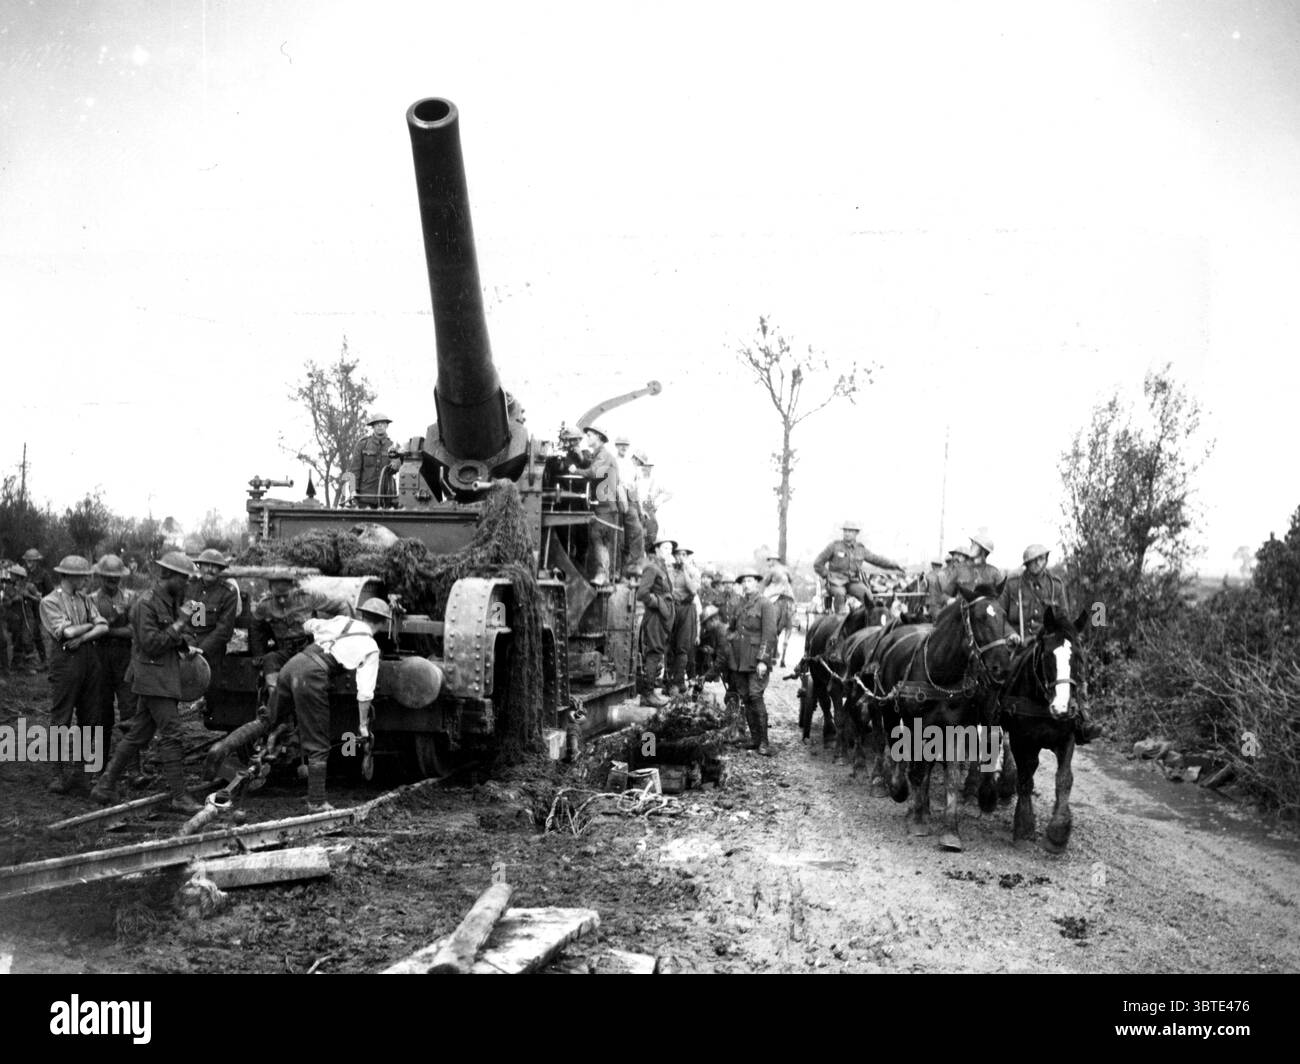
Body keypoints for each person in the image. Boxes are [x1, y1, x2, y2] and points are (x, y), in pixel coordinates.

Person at [91, 553, 204, 812]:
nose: (186, 583)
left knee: (138, 735)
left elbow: (171, 636)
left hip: (163, 676)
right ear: (170, 576)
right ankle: (179, 796)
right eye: (183, 578)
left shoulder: (171, 601)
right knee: (172, 733)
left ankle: (105, 785)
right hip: (153, 677)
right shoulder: (147, 604)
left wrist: (185, 644)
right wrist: (180, 623)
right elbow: (151, 644)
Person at [269, 598, 389, 811]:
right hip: (312, 676)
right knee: (318, 744)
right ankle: (316, 801)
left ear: (361, 615)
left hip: (293, 664)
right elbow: (365, 693)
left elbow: (308, 625)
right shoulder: (371, 648)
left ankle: (224, 749)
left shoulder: (341, 621)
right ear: (383, 624)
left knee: (269, 718)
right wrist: (362, 726)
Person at [999, 544, 1102, 744]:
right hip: (1020, 643)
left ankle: (1083, 717)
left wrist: (1067, 636)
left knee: (1076, 666)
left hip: (1049, 642)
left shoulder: (1055, 584)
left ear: (1046, 559)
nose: (1037, 564)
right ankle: (992, 726)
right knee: (997, 674)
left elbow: (1063, 616)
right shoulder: (1012, 585)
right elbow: (1000, 616)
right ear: (1026, 564)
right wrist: (1010, 634)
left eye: (1041, 559)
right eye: (1032, 561)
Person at [38, 556, 109, 793]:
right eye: (81, 576)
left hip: (89, 659)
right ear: (68, 576)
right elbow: (67, 632)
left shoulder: (85, 600)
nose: (86, 579)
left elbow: (104, 626)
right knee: (62, 717)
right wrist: (89, 627)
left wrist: (84, 636)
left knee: (90, 717)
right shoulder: (49, 601)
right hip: (65, 662)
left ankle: (82, 773)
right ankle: (57, 773)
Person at [249, 570, 352, 722]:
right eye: (278, 597)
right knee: (270, 659)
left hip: (308, 649)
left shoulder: (308, 597)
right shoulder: (265, 606)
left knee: (309, 672)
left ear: (294, 588)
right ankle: (276, 706)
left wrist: (341, 635)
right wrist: (258, 654)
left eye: (286, 595)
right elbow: (255, 626)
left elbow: (341, 605)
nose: (282, 600)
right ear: (271, 590)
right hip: (285, 650)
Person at [91, 555, 137, 768]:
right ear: (100, 576)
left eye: (115, 577)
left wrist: (107, 630)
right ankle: (99, 763)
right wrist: (112, 623)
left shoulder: (130, 598)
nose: (112, 581)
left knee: (129, 711)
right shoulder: (91, 600)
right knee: (101, 712)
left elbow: (133, 631)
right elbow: (91, 632)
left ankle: (135, 765)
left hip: (124, 660)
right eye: (108, 577)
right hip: (99, 661)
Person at [729, 571, 778, 756]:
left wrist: (763, 660)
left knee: (756, 696)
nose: (746, 584)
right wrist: (731, 641)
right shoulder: (739, 604)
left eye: (750, 581)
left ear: (757, 583)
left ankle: (764, 741)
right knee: (746, 697)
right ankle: (754, 739)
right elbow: (732, 628)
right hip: (740, 659)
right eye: (743, 581)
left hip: (756, 659)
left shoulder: (765, 604)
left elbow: (770, 634)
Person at [812, 521, 905, 613]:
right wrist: (827, 575)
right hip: (836, 582)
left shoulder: (860, 549)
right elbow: (817, 564)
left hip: (852, 581)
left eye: (850, 531)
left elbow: (877, 560)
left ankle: (867, 618)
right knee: (840, 594)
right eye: (845, 531)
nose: (847, 533)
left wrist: (896, 566)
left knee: (868, 595)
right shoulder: (834, 546)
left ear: (856, 533)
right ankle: (840, 618)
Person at [571, 424, 620, 585]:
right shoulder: (599, 455)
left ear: (599, 438)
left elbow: (594, 472)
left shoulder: (604, 455)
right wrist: (581, 458)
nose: (587, 438)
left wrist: (575, 470)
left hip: (606, 506)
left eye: (590, 435)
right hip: (602, 504)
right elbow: (592, 465)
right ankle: (601, 573)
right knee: (595, 537)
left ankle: (603, 575)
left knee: (598, 536)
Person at [636, 538, 676, 707]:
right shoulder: (652, 568)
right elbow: (642, 593)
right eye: (665, 548)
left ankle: (650, 693)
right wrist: (659, 603)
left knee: (657, 652)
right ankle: (647, 695)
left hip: (662, 618)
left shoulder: (662, 569)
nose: (669, 551)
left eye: (670, 548)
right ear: (657, 550)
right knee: (653, 653)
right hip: (654, 618)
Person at [187, 549, 240, 672]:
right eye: (206, 565)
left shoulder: (228, 592)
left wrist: (202, 650)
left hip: (212, 651)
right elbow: (182, 619)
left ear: (220, 569)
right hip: (187, 645)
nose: (210, 569)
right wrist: (188, 643)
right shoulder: (190, 587)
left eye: (215, 566)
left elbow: (224, 629)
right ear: (199, 567)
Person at [667, 545, 701, 693]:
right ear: (674, 556)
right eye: (678, 555)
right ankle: (670, 681)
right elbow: (668, 589)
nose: (680, 557)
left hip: (687, 609)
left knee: (682, 647)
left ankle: (679, 681)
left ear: (687, 557)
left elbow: (693, 589)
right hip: (672, 609)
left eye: (683, 555)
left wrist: (685, 571)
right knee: (669, 645)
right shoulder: (669, 571)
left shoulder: (693, 572)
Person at [346, 413, 395, 508]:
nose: (380, 426)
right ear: (373, 426)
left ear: (387, 426)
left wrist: (396, 463)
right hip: (364, 497)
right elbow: (354, 470)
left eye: (383, 423)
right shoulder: (363, 444)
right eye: (377, 424)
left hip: (385, 498)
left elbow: (396, 468)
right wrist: (353, 491)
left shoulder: (391, 446)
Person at [4, 564, 41, 673]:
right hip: (15, 617)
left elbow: (39, 598)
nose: (10, 576)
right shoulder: (8, 588)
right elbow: (6, 603)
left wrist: (29, 596)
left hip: (27, 617)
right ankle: (17, 665)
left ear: (18, 576)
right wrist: (15, 599)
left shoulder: (30, 586)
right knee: (16, 640)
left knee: (27, 639)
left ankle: (30, 666)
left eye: (12, 574)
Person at [762, 555, 798, 666]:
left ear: (773, 560)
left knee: (765, 614)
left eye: (769, 560)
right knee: (791, 619)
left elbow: (765, 583)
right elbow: (791, 580)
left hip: (775, 596)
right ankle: (782, 658)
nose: (768, 562)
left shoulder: (772, 570)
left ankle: (770, 655)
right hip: (789, 597)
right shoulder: (786, 569)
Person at [23, 548, 53, 667]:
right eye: (27, 560)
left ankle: (44, 660)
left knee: (35, 633)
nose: (29, 563)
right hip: (24, 606)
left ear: (37, 561)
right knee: (24, 632)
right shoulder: (23, 572)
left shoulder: (43, 574)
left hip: (38, 608)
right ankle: (26, 660)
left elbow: (51, 593)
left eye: (32, 561)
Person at [924, 556, 948, 622]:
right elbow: (945, 590)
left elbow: (924, 589)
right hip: (939, 605)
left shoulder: (928, 575)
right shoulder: (942, 574)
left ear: (933, 565)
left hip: (931, 604)